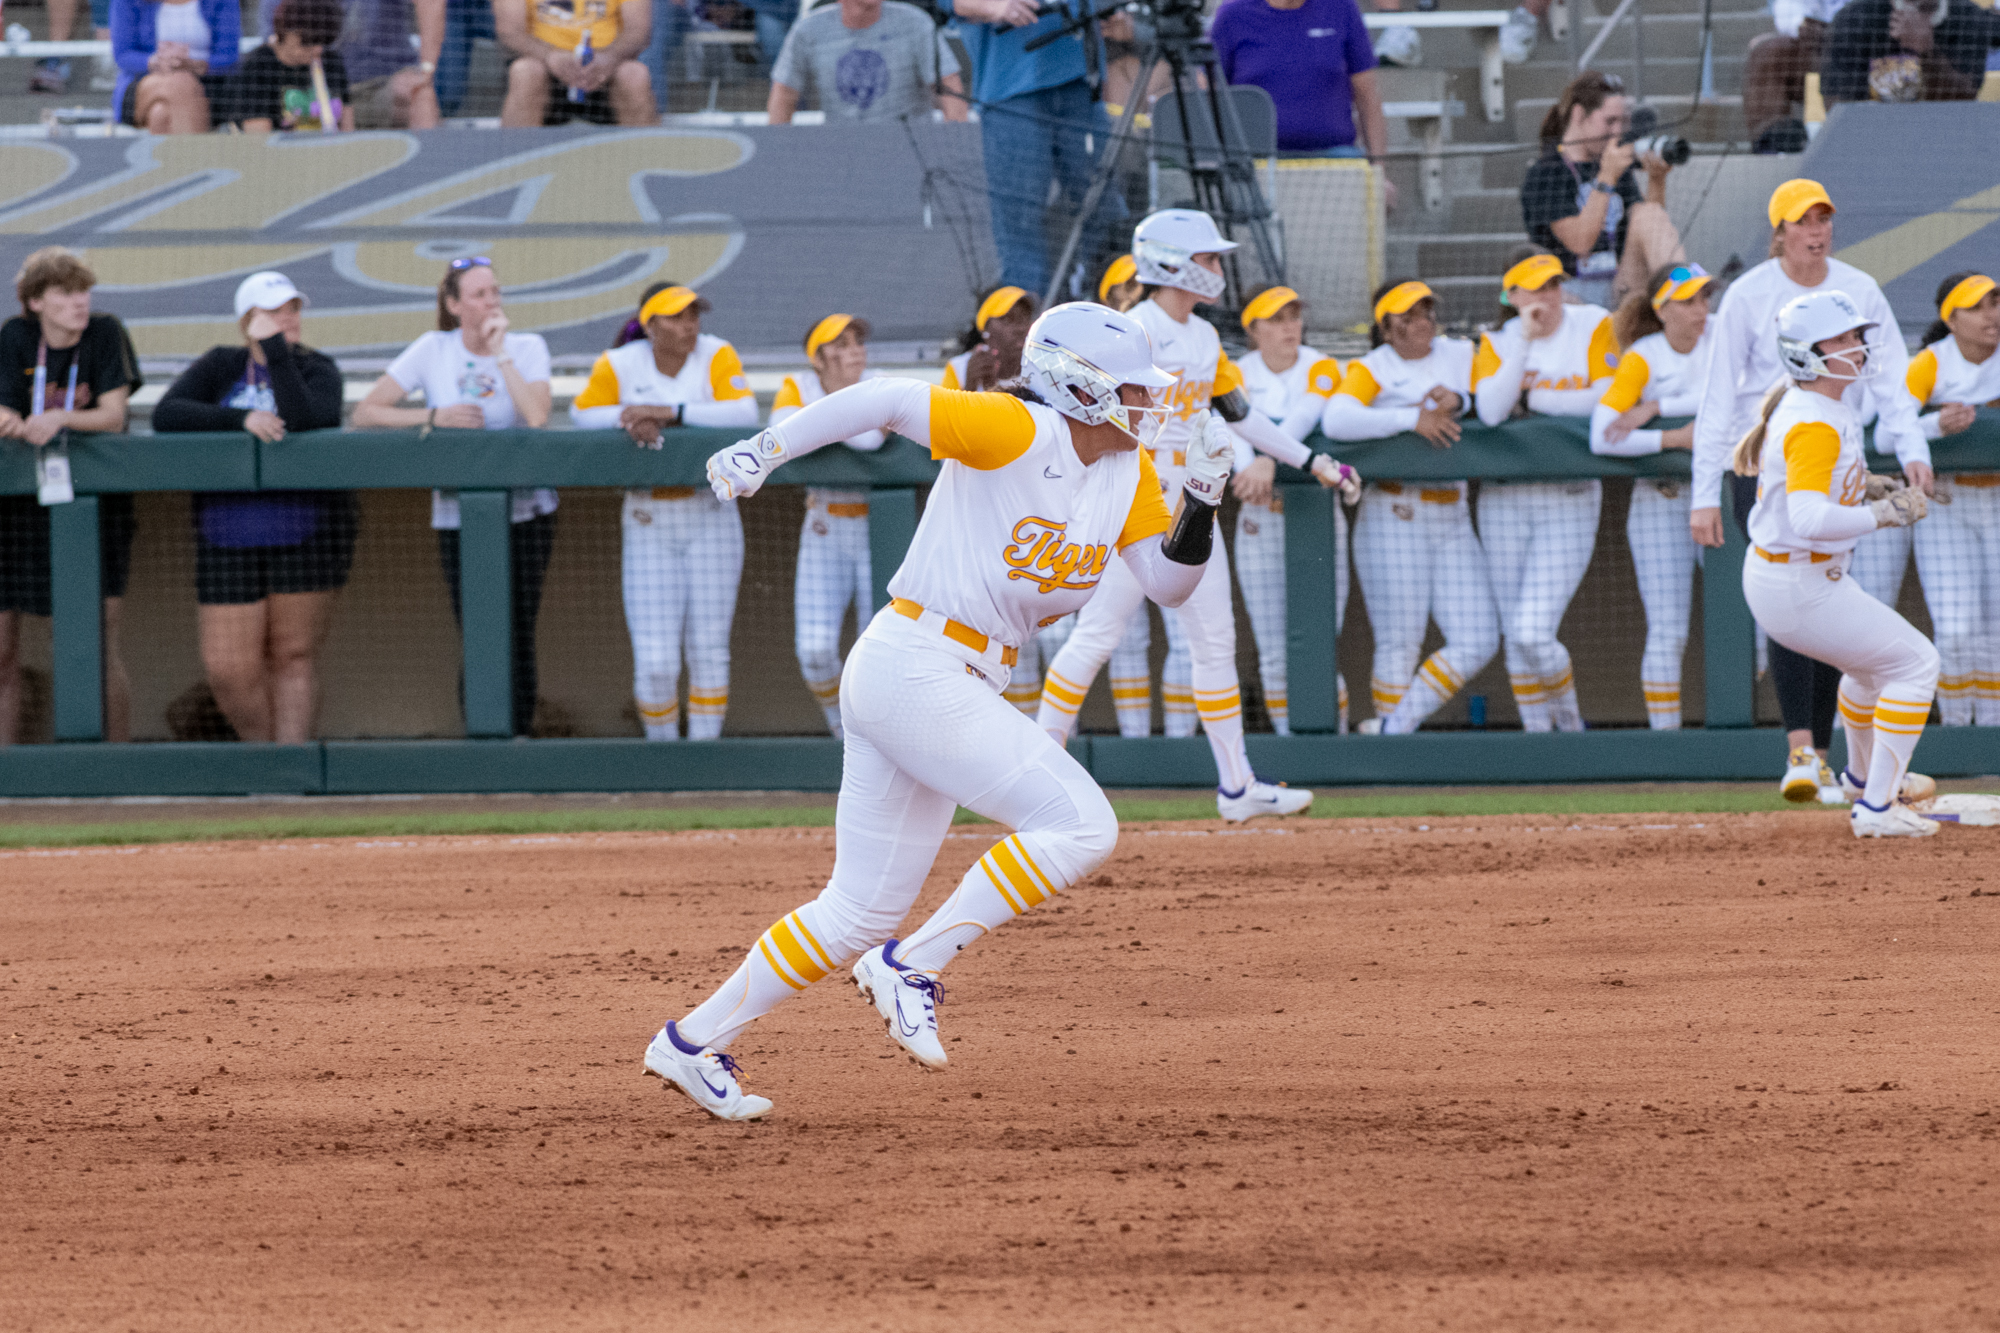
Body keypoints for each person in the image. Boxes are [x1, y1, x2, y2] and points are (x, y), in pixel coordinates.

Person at [646, 301, 1211, 1119]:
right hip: (918, 661)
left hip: (939, 676)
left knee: (855, 911)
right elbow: (882, 400)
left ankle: (689, 1044)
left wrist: (1202, 506)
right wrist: (766, 447)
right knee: (1084, 825)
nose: (1151, 402)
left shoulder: (1125, 469)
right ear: (1081, 388)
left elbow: (1167, 583)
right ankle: (910, 965)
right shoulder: (1020, 428)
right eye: (1133, 388)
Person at [1035, 210, 1358, 819]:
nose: (1216, 268)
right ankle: (1036, 781)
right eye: (1207, 259)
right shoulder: (1131, 330)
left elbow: (1238, 414)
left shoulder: (1206, 338)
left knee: (1214, 641)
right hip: (1131, 501)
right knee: (1097, 635)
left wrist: (1310, 457)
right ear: (1171, 264)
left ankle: (1237, 786)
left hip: (1191, 503)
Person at [1690, 179, 1930, 802]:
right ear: (1780, 232)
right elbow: (1718, 399)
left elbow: (1892, 384)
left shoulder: (1856, 289)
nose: (1816, 229)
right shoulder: (1751, 296)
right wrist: (1702, 490)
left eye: (1824, 216)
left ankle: (1845, 768)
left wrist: (1910, 453)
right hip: (1770, 462)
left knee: (1833, 603)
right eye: (1803, 220)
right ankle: (1809, 752)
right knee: (1810, 594)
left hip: (1828, 456)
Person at [1732, 290, 1938, 838]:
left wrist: (1864, 488)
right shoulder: (1813, 420)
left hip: (1797, 577)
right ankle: (1876, 809)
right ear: (1808, 353)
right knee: (1916, 665)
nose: (1858, 347)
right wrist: (1883, 513)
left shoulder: (1822, 407)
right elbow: (1807, 517)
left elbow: (1815, 487)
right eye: (1844, 339)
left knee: (1873, 671)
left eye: (1856, 337)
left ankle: (1861, 780)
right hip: (1798, 578)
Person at [353, 257, 555, 738]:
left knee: (518, 629)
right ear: (453, 304)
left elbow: (538, 417)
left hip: (525, 513)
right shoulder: (432, 349)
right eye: (480, 295)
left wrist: (500, 354)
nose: (491, 303)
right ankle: (482, 735)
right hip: (458, 516)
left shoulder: (527, 347)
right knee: (479, 630)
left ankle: (518, 734)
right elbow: (366, 411)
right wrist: (432, 416)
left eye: (496, 293)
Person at [153, 272, 350, 744]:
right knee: (229, 669)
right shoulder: (221, 364)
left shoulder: (318, 368)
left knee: (292, 655)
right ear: (247, 321)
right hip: (227, 531)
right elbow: (168, 414)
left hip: (304, 529)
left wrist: (278, 354)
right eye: (276, 310)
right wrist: (241, 418)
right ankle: (265, 757)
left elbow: (306, 418)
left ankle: (291, 770)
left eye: (294, 309)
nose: (289, 317)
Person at [570, 284, 759, 740]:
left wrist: (670, 411)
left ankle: (702, 755)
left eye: (693, 314)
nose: (689, 324)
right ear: (651, 325)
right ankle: (664, 755)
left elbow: (744, 412)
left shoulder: (716, 353)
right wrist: (630, 415)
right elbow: (581, 414)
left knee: (708, 647)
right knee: (656, 659)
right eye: (675, 316)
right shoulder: (620, 362)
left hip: (709, 513)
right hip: (647, 516)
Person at [1323, 279, 1497, 735]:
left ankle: (1393, 728)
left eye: (1426, 310)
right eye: (1409, 314)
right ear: (1386, 327)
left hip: (1454, 515)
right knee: (1398, 643)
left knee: (1479, 638)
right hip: (1395, 512)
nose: (1422, 321)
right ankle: (1392, 748)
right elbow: (1336, 419)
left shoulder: (1460, 354)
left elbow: (1501, 403)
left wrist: (1463, 400)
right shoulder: (1373, 366)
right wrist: (1408, 419)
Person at [1471, 250, 1618, 732]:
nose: (1547, 297)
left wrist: (1535, 399)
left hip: (1570, 497)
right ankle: (1540, 739)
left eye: (1553, 285)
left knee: (1532, 630)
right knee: (1517, 637)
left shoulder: (1594, 322)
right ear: (1511, 297)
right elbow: (1491, 410)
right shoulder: (1496, 340)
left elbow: (1606, 394)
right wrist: (1525, 343)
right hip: (1504, 500)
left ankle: (1570, 727)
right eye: (1533, 288)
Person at [0, 248, 142, 747]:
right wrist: (9, 420)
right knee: (2, 649)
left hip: (95, 504)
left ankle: (115, 767)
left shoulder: (105, 333)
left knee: (94, 642)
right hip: (18, 510)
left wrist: (59, 417)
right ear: (36, 302)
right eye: (64, 293)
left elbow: (112, 416)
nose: (78, 303)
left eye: (83, 291)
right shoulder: (14, 337)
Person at [1859, 272, 2000, 727]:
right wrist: (1937, 425)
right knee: (1956, 630)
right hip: (1947, 503)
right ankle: (1960, 731)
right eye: (1976, 307)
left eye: (1994, 303)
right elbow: (1883, 436)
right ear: (1951, 319)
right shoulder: (1930, 363)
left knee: (1995, 630)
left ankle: (1993, 738)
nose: (1990, 316)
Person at [1591, 264, 1713, 730]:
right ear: (1662, 310)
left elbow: (1744, 398)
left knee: (1755, 621)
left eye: (1704, 298)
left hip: (1716, 496)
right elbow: (1601, 436)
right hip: (1658, 501)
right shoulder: (1644, 355)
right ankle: (1667, 738)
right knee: (1667, 629)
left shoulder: (1721, 336)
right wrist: (1671, 440)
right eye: (1687, 301)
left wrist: (1659, 406)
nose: (1700, 309)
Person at [1231, 285, 1346, 735]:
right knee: (1274, 651)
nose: (1289, 327)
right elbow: (1232, 424)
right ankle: (1289, 745)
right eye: (1276, 319)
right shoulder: (1235, 371)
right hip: (1259, 518)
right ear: (1253, 328)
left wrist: (1267, 460)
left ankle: (1333, 747)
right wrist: (1248, 470)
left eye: (1294, 316)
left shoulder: (1322, 365)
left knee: (1320, 645)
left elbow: (1305, 415)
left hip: (1314, 519)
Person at [940, 0, 1114, 295]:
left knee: (1106, 205)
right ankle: (1030, 329)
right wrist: (990, 5)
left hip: (1079, 78)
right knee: (1020, 221)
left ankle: (1118, 311)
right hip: (1010, 88)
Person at [770, 314, 885, 739]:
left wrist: (821, 424)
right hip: (824, 524)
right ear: (817, 359)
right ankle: (843, 731)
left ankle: (879, 737)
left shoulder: (881, 380)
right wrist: (852, 415)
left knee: (876, 653)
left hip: (880, 525)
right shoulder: (796, 385)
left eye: (858, 340)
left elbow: (870, 442)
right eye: (840, 343)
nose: (855, 349)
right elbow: (782, 434)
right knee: (815, 649)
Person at [1519, 72, 1686, 311]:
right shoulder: (1547, 172)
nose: (1617, 132)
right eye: (1609, 122)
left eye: (1622, 122)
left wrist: (1656, 179)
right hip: (1568, 289)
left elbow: (1649, 229)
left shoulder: (1616, 166)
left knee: (1647, 214)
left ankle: (1683, 296)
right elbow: (1580, 243)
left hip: (1620, 282)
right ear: (1579, 115)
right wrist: (1606, 177)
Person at [1209, 0, 1394, 209]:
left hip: (1333, 158)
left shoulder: (1341, 8)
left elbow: (1368, 96)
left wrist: (1379, 173)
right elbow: (1206, 95)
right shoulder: (1232, 14)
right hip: (1254, 162)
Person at [766, 0, 967, 124]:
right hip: (841, 151)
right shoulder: (808, 30)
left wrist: (957, 148)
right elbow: (784, 93)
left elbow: (949, 86)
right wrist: (777, 155)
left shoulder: (917, 23)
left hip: (910, 149)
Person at [258, 0, 444, 128]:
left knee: (421, 93)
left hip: (382, 85)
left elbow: (431, 3)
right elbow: (275, 45)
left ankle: (432, 179)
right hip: (317, 93)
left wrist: (426, 69)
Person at [495, 0, 657, 127]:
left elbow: (638, 31)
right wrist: (551, 57)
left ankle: (644, 160)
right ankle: (515, 161)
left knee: (635, 74)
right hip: (543, 65)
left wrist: (608, 58)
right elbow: (510, 31)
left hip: (604, 69)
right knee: (525, 72)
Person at [1821, 0, 2000, 106]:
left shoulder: (1968, 17)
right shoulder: (1854, 18)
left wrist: (1927, 50)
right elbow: (1836, 105)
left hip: (1944, 141)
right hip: (1872, 144)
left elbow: (1964, 98)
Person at [110, 0, 242, 132]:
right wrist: (156, 62)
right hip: (144, 79)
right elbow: (123, 55)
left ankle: (175, 151)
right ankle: (194, 151)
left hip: (208, 82)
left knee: (160, 114)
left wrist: (194, 64)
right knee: (180, 83)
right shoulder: (127, 2)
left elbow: (229, 56)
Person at [1742, 0, 1856, 153]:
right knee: (1769, 52)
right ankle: (1774, 145)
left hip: (1874, 44)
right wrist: (1802, 26)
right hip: (1821, 46)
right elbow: (1789, 13)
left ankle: (1848, 142)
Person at [229, 0, 355, 131]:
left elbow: (348, 127)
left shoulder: (331, 61)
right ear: (286, 31)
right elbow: (258, 137)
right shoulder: (260, 65)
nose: (318, 49)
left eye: (324, 42)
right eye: (309, 41)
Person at [941, 286, 1035, 392]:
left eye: (1025, 319)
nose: (1021, 328)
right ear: (985, 329)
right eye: (1008, 320)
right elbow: (946, 409)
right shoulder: (959, 369)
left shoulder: (1044, 367)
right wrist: (969, 389)